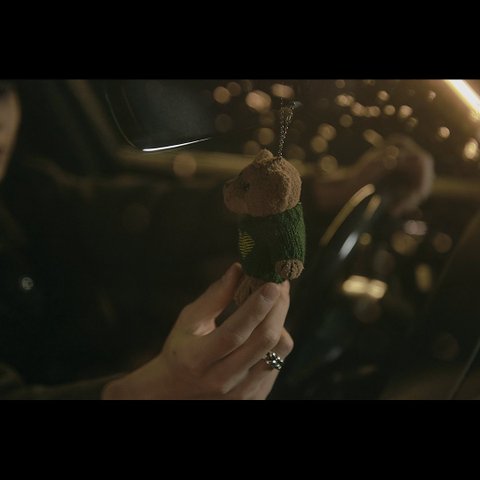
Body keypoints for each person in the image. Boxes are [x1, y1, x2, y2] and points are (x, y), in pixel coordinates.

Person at [0, 81, 293, 400]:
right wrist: (140, 391)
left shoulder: (27, 191)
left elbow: (144, 217)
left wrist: (293, 199)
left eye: (3, 89)